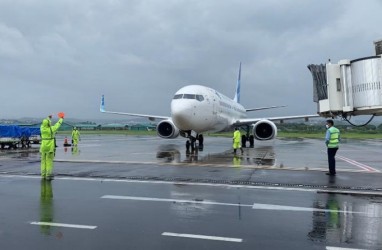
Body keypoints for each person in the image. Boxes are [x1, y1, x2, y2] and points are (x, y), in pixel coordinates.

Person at [40, 112, 64, 180]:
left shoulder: (42, 128)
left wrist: (48, 118)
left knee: (43, 161)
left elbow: (44, 123)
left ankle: (43, 174)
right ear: (49, 123)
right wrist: (61, 118)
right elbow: (58, 125)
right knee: (49, 161)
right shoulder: (51, 129)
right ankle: (48, 174)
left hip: (43, 146)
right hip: (49, 147)